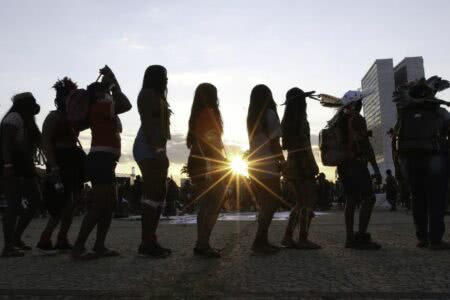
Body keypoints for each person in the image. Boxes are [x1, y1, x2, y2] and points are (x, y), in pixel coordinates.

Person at [72, 66, 131, 259]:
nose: (109, 94)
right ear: (99, 94)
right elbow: (125, 103)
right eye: (106, 91)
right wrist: (113, 83)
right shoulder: (100, 107)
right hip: (101, 160)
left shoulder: (101, 107)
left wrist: (112, 82)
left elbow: (120, 102)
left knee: (107, 205)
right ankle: (79, 247)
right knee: (99, 205)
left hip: (104, 160)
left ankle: (99, 245)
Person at [395, 76, 450, 249]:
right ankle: (435, 239)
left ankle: (422, 237)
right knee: (436, 199)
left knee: (418, 198)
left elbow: (397, 133)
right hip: (434, 159)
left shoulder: (404, 112)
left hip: (410, 160)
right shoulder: (439, 111)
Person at [37, 77, 86, 253]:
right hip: (59, 161)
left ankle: (61, 238)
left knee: (71, 203)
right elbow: (46, 144)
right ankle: (46, 237)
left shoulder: (74, 118)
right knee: (61, 203)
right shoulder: (52, 117)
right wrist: (54, 167)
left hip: (72, 160)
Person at [334, 90, 382, 250]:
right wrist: (375, 168)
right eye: (360, 102)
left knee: (351, 200)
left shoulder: (338, 120)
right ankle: (361, 237)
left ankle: (350, 238)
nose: (361, 105)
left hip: (343, 166)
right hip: (357, 164)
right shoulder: (357, 119)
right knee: (369, 198)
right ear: (355, 104)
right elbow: (365, 145)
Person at [132, 65, 172, 258]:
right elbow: (148, 123)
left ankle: (151, 239)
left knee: (160, 193)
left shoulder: (157, 95)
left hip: (157, 146)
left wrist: (162, 150)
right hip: (148, 147)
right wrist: (157, 150)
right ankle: (146, 242)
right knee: (152, 193)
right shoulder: (147, 94)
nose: (166, 79)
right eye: (163, 76)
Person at [186, 83, 227, 258]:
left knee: (206, 205)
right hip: (209, 162)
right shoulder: (210, 113)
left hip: (197, 160)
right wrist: (221, 159)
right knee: (214, 203)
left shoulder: (196, 114)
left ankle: (201, 243)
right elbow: (211, 139)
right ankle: (203, 243)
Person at [1, 92, 42, 257]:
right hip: (12, 163)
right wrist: (8, 165)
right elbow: (5, 144)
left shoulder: (29, 122)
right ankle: (8, 247)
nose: (34, 106)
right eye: (31, 103)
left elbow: (39, 142)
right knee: (13, 205)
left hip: (24, 164)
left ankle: (16, 238)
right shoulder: (14, 118)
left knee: (35, 201)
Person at [280, 88, 321, 249]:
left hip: (291, 164)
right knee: (308, 201)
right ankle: (303, 238)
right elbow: (305, 146)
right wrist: (313, 164)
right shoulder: (301, 121)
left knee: (299, 202)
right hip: (303, 164)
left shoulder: (287, 122)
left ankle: (288, 236)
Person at [247, 84, 284, 255]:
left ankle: (261, 240)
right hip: (268, 163)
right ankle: (259, 241)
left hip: (254, 164)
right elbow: (275, 141)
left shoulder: (252, 117)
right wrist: (282, 161)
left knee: (264, 203)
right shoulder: (269, 114)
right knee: (272, 202)